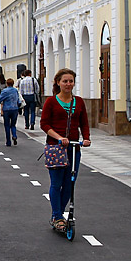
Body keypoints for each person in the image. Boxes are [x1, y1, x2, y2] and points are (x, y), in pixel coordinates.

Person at [40, 68, 91, 233]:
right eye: (65, 81)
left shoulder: (79, 101)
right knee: (56, 183)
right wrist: (59, 137)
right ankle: (57, 216)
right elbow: (44, 124)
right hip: (56, 148)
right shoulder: (51, 102)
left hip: (74, 148)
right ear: (58, 83)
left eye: (71, 81)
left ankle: (58, 215)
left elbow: (84, 122)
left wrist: (87, 138)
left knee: (70, 183)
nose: (68, 84)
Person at [0, 78, 22, 146]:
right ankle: (14, 135)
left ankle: (8, 141)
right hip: (15, 109)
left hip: (7, 109)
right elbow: (18, 99)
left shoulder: (5, 91)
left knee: (7, 125)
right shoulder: (15, 90)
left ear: (7, 84)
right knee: (13, 125)